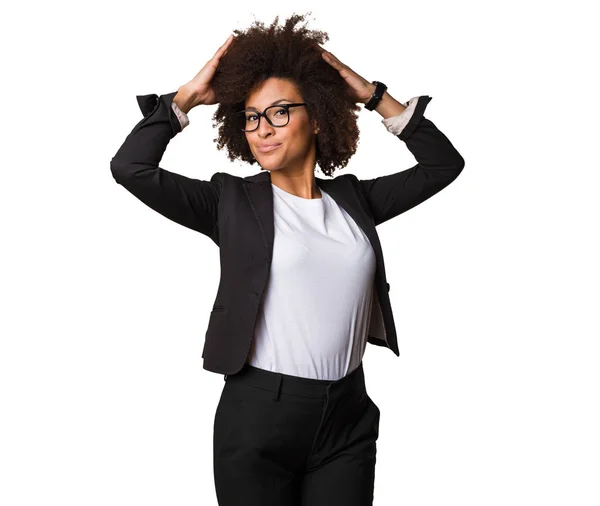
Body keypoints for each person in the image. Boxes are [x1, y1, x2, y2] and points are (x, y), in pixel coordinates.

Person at [110, 12, 465, 506]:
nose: (263, 129)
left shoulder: (354, 202)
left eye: (280, 112)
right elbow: (130, 168)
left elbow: (444, 164)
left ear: (316, 116)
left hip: (347, 413)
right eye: (252, 117)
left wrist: (372, 96)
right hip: (260, 414)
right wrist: (184, 100)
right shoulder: (229, 202)